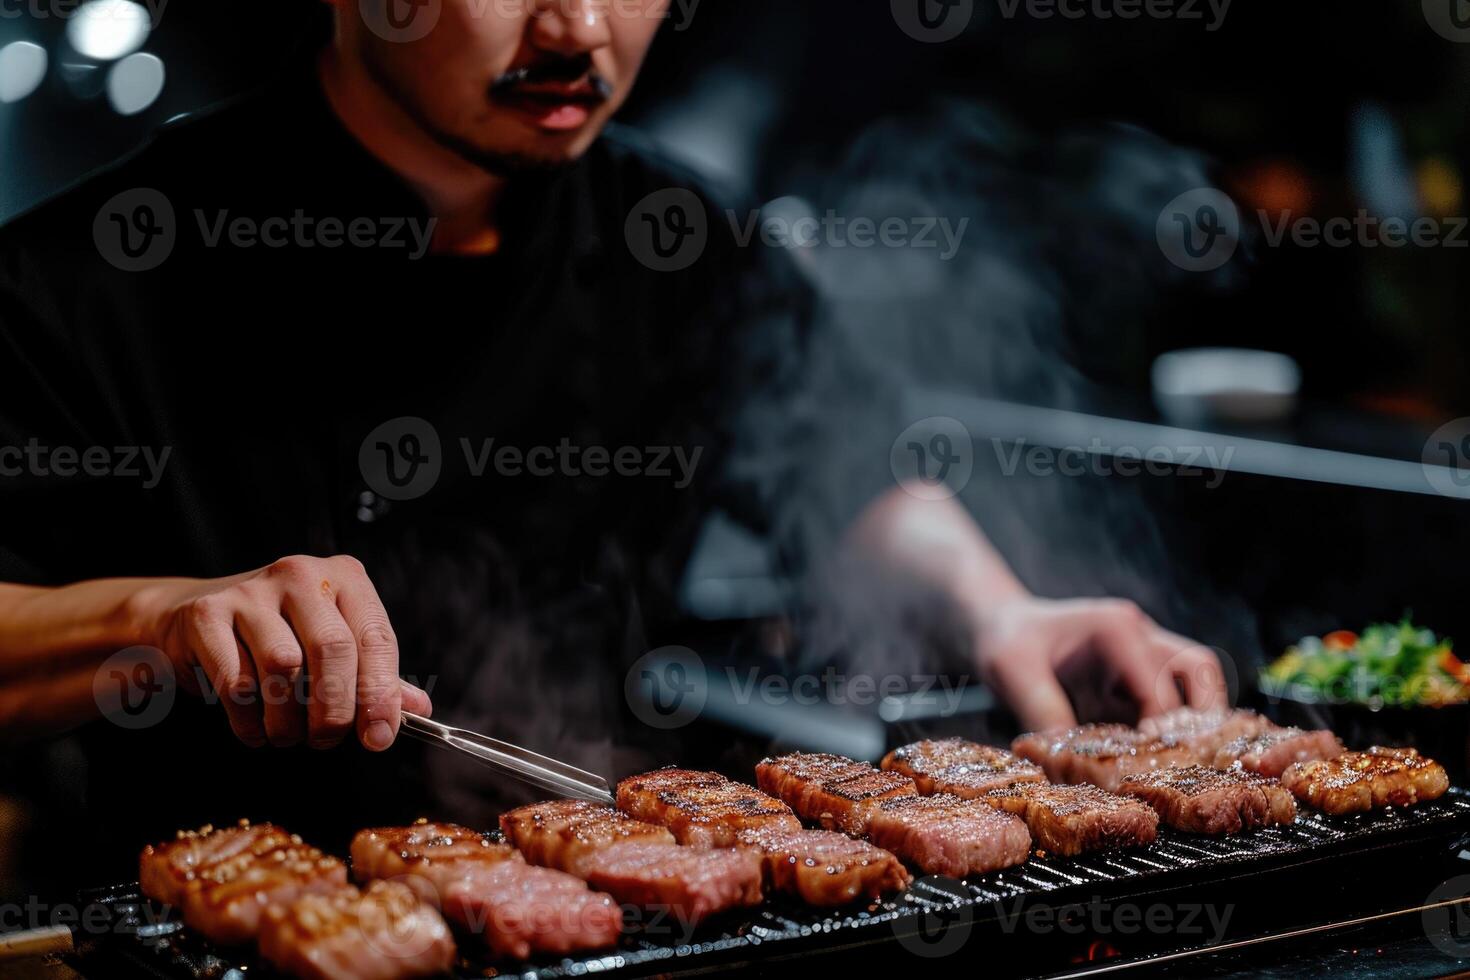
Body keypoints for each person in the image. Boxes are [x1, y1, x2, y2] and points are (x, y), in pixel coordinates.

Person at [0, 1, 1222, 852]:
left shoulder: (675, 237)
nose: (578, 30)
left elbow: (849, 467)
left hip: (613, 900)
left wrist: (999, 603)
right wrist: (160, 614)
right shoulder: (93, 270)